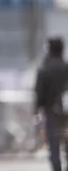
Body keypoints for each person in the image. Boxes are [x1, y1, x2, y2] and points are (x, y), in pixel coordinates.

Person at [35, 36, 68, 171]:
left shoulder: (45, 68)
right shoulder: (66, 67)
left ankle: (57, 168)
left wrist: (38, 108)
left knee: (54, 144)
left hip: (51, 111)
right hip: (66, 111)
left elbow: (40, 91)